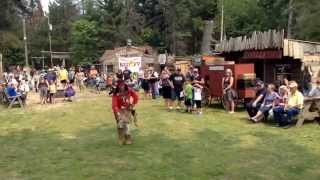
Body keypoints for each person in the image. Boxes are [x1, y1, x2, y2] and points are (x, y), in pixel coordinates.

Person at [112, 80, 139, 145]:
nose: (121, 87)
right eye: (120, 86)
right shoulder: (116, 93)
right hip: (119, 110)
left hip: (127, 109)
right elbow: (114, 104)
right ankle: (121, 138)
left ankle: (128, 138)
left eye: (123, 85)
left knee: (127, 124)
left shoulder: (129, 90)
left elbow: (136, 97)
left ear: (125, 85)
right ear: (118, 86)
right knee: (120, 125)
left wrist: (132, 104)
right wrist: (117, 112)